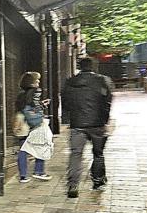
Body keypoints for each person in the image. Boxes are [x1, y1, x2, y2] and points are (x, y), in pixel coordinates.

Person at [62, 57, 113, 198]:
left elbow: (65, 102)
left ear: (80, 67)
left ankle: (73, 185)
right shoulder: (102, 81)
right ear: (93, 67)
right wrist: (105, 119)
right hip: (97, 124)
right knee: (98, 153)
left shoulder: (70, 81)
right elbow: (107, 101)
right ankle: (97, 180)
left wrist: (69, 118)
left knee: (76, 154)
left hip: (77, 124)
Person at [15, 71, 52, 183]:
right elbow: (32, 109)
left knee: (23, 150)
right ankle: (39, 172)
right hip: (32, 125)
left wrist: (40, 104)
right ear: (31, 83)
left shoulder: (21, 94)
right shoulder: (34, 92)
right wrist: (41, 111)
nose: (38, 82)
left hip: (21, 124)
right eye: (37, 80)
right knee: (41, 145)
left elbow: (27, 107)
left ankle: (23, 176)